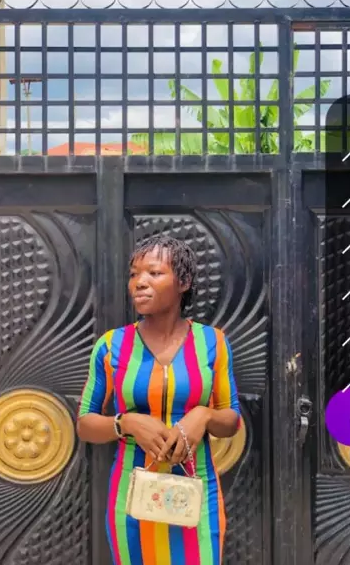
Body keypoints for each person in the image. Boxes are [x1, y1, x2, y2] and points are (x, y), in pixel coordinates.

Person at [77, 234, 241, 565]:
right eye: (134, 274)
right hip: (133, 496)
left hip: (196, 494)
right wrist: (126, 423)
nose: (139, 283)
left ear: (183, 282)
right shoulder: (111, 345)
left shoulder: (212, 342)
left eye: (154, 273)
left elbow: (231, 420)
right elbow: (84, 424)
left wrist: (204, 415)